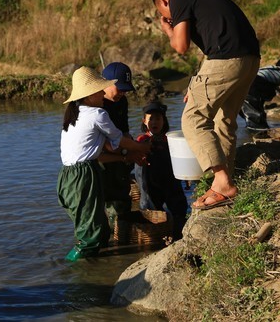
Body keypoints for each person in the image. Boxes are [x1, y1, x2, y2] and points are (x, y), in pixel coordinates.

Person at [151, 0, 260, 210]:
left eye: (164, 13)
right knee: (224, 120)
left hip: (226, 59)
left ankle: (222, 183)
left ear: (163, 2)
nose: (169, 16)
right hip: (250, 60)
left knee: (192, 120)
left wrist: (168, 30)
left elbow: (181, 46)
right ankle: (227, 180)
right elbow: (213, 49)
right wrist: (194, 85)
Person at [57, 66, 150, 261]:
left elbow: (96, 154)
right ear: (89, 95)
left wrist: (126, 157)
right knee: (91, 235)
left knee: (93, 227)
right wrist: (141, 149)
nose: (102, 93)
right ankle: (74, 270)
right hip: (84, 176)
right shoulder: (97, 114)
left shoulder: (74, 113)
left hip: (68, 177)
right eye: (100, 90)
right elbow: (120, 141)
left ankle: (98, 267)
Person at [136, 101, 188, 241]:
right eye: (151, 118)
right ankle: (159, 238)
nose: (154, 122)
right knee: (152, 210)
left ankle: (179, 235)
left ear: (164, 121)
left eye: (158, 118)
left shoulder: (169, 139)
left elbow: (180, 159)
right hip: (151, 184)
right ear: (144, 121)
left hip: (170, 181)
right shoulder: (142, 140)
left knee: (179, 208)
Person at [99, 62, 137, 217]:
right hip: (101, 158)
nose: (122, 92)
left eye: (125, 89)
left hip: (119, 153)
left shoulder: (122, 101)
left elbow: (124, 131)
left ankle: (122, 234)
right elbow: (105, 143)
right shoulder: (96, 103)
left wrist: (132, 149)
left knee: (122, 199)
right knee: (103, 201)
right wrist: (128, 152)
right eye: (119, 88)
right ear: (106, 83)